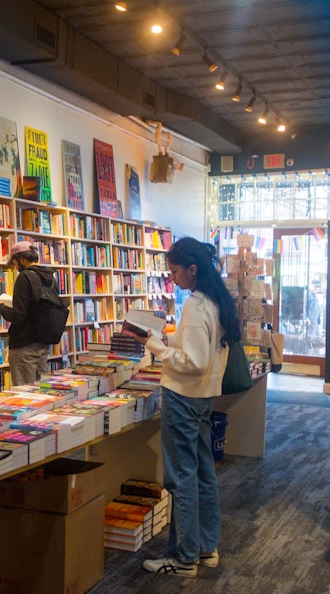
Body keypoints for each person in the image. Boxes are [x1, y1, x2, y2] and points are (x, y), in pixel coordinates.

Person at [126, 237, 240, 578]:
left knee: (181, 478)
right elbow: (206, 352)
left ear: (192, 269)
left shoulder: (194, 305)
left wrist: (155, 345)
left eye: (174, 271)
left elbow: (192, 361)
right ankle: (206, 548)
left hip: (183, 395)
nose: (171, 277)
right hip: (204, 395)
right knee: (203, 473)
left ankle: (184, 558)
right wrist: (171, 338)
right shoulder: (215, 300)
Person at [0, 240, 57, 385]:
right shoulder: (50, 277)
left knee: (25, 395)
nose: (15, 267)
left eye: (14, 263)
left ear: (21, 259)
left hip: (24, 345)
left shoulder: (25, 277)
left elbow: (19, 316)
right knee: (39, 393)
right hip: (43, 343)